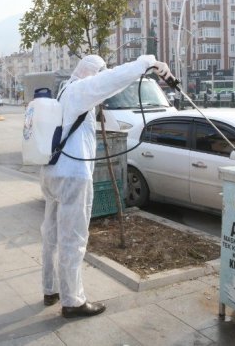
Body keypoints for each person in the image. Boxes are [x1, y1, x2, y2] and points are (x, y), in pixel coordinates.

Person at [40, 54, 174, 318]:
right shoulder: (80, 90)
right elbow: (111, 80)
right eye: (100, 72)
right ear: (93, 73)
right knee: (73, 237)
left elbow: (108, 82)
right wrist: (146, 63)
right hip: (72, 176)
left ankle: (50, 288)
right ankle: (73, 301)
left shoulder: (66, 90)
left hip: (53, 171)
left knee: (51, 233)